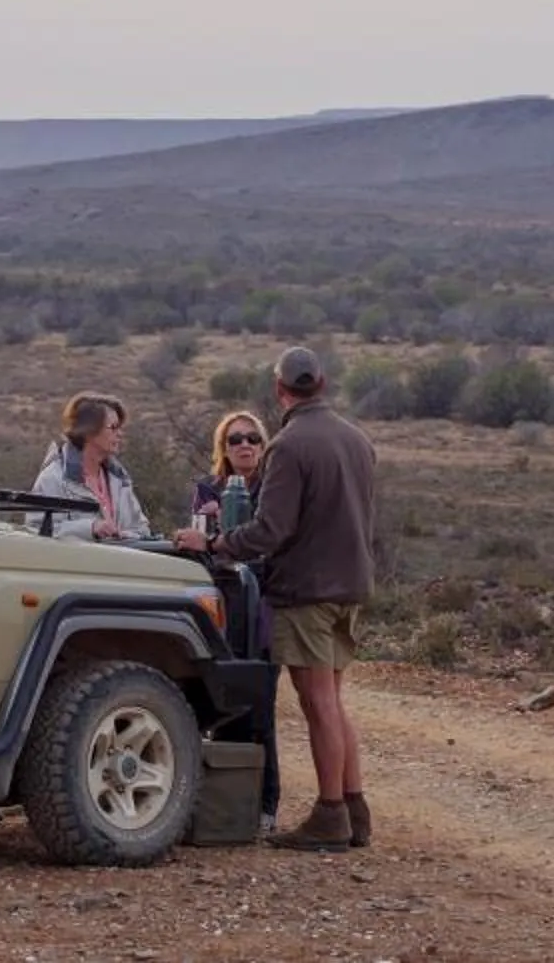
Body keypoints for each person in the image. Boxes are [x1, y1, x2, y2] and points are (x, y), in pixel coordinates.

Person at [176, 348, 373, 853]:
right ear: (322, 383)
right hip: (350, 586)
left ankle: (330, 814)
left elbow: (271, 529)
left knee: (318, 702)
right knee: (334, 699)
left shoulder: (289, 446)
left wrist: (216, 543)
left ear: (280, 389)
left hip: (307, 590)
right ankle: (354, 808)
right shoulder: (357, 440)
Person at [195, 410, 283, 829]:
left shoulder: (275, 490)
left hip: (264, 606)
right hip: (222, 607)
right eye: (235, 440)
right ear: (223, 449)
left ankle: (266, 805)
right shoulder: (207, 489)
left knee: (261, 706)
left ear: (264, 446)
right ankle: (220, 807)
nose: (245, 445)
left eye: (253, 438)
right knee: (218, 704)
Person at [32, 392, 150, 541]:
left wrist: (124, 536)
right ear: (89, 431)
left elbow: (142, 530)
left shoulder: (120, 480)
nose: (120, 434)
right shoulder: (53, 478)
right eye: (113, 428)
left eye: (120, 428)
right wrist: (90, 528)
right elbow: (36, 532)